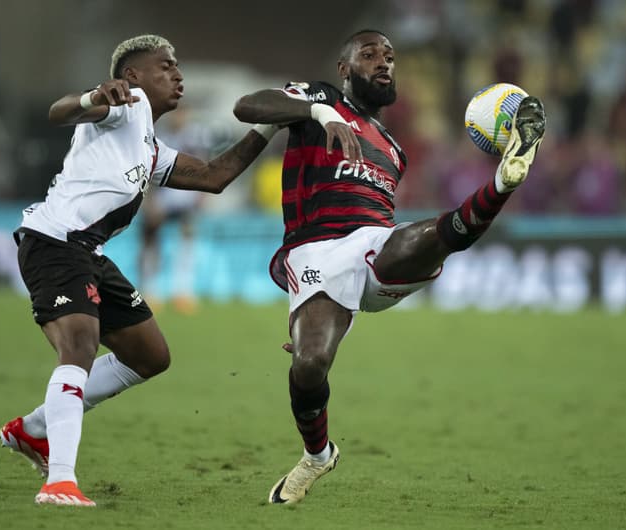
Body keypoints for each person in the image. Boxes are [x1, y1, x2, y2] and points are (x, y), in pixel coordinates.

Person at [233, 29, 545, 504]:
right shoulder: (321, 98)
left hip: (377, 246)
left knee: (429, 237)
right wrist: (319, 111)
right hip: (315, 250)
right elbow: (248, 105)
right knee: (310, 364)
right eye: (370, 54)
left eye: (390, 56)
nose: (384, 62)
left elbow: (377, 225)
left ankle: (503, 180)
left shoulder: (393, 150)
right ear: (344, 68)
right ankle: (317, 455)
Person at [0, 34, 277, 507]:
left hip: (87, 253)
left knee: (150, 356)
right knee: (80, 347)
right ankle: (60, 481)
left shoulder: (149, 147)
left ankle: (35, 429)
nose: (178, 74)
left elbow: (213, 177)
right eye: (166, 66)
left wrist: (271, 127)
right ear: (132, 77)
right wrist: (92, 96)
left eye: (178, 67)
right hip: (54, 242)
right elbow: (60, 111)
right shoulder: (122, 108)